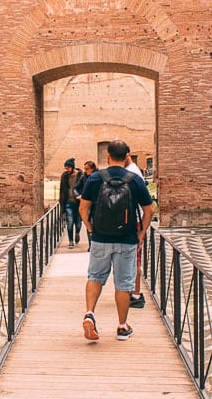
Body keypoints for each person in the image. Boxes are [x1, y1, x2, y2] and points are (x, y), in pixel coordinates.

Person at [79, 140, 153, 341]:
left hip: (101, 238)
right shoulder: (135, 180)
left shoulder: (95, 178)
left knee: (95, 276)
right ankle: (122, 327)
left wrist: (90, 228)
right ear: (127, 155)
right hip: (127, 239)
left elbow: (83, 209)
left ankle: (90, 314)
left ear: (108, 156)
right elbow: (149, 210)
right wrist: (142, 232)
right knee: (123, 284)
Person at [124, 153, 146, 309]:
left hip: (133, 221)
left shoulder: (131, 173)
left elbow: (149, 207)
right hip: (134, 220)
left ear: (127, 155)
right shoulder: (134, 171)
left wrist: (142, 231)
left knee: (134, 259)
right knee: (133, 258)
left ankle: (135, 294)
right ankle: (132, 293)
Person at [59, 158, 83, 248]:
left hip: (79, 203)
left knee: (78, 223)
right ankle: (71, 241)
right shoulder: (64, 176)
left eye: (68, 168)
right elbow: (61, 190)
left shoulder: (81, 175)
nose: (67, 170)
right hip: (68, 202)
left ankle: (77, 232)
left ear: (72, 167)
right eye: (66, 168)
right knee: (70, 222)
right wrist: (62, 203)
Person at [74, 160, 98, 251]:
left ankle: (95, 244)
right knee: (88, 224)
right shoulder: (84, 177)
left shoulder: (98, 177)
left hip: (96, 204)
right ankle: (91, 244)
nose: (85, 170)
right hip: (87, 204)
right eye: (85, 169)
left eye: (87, 169)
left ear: (92, 169)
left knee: (95, 224)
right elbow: (76, 188)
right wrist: (77, 196)